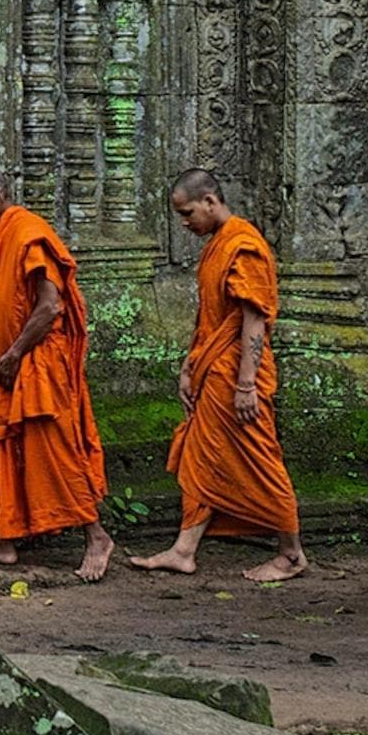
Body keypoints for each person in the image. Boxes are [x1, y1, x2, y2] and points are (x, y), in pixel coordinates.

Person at [130, 170, 307, 582]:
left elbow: (254, 318)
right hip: (213, 368)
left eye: (188, 212)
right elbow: (209, 316)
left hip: (237, 374)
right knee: (203, 456)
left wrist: (246, 383)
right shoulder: (217, 247)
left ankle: (291, 553)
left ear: (211, 201)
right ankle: (184, 550)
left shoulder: (244, 246)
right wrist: (189, 367)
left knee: (259, 457)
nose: (185, 222)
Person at [0, 164, 114, 580]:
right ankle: (2, 540)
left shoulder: (28, 234)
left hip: (37, 362)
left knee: (53, 452)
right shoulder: (4, 235)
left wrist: (15, 353)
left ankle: (97, 536)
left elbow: (50, 306)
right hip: (9, 363)